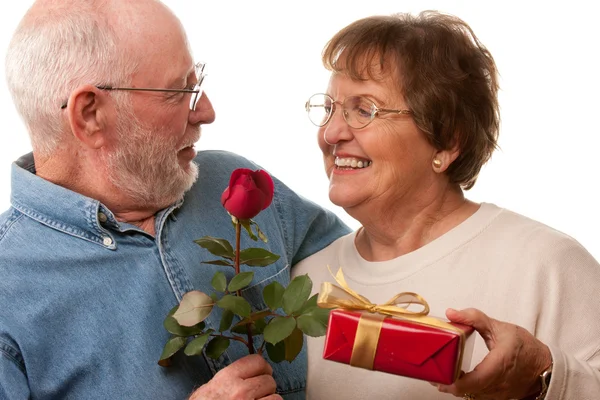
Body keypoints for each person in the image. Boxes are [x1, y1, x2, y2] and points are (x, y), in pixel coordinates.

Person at [0, 1, 350, 399]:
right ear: (90, 114)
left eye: (196, 81)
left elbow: (373, 280)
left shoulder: (235, 182)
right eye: (179, 90)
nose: (206, 111)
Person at [293, 10, 600, 400]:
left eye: (364, 109)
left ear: (446, 142)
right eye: (330, 108)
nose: (331, 132)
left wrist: (542, 375)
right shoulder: (303, 279)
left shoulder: (547, 265)